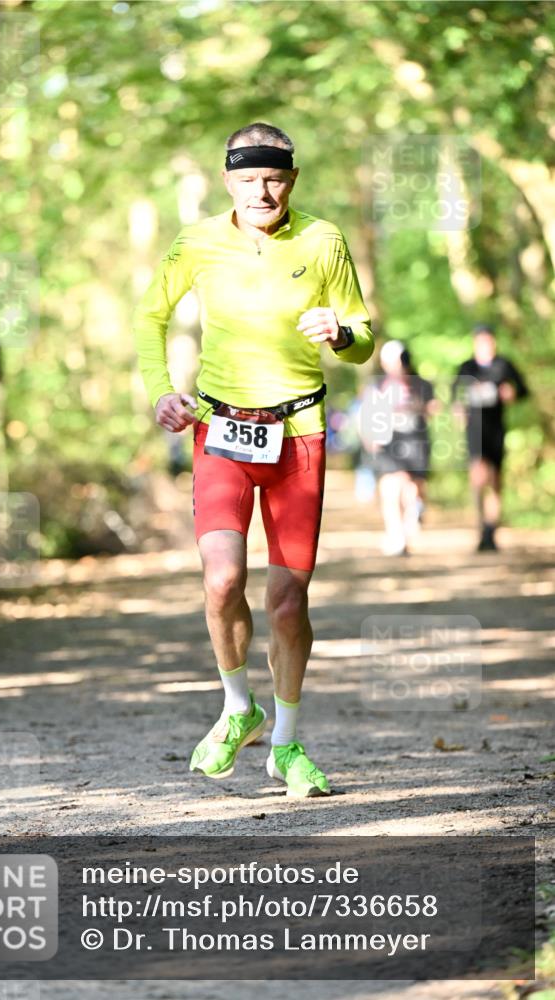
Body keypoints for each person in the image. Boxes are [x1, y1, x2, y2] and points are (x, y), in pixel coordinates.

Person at [134, 123, 373, 797]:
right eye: (246, 179)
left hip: (299, 433)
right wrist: (161, 392)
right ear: (227, 181)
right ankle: (239, 708)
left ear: (290, 179)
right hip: (220, 433)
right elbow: (149, 314)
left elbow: (362, 336)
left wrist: (343, 332)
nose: (260, 191)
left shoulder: (322, 240)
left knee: (288, 602)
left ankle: (287, 743)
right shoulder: (198, 242)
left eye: (272, 178)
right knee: (219, 582)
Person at [452, 324, 528, 551]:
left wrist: (512, 394)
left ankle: (491, 529)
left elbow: (523, 390)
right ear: (475, 343)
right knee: (478, 476)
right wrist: (458, 409)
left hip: (496, 429)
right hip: (474, 429)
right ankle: (481, 526)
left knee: (495, 479)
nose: (486, 345)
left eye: (489, 341)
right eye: (481, 341)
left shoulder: (504, 365)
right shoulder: (467, 367)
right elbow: (455, 394)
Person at [361, 341, 437, 556]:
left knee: (411, 487)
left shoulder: (421, 384)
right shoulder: (377, 385)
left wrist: (418, 406)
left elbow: (433, 409)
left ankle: (412, 518)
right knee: (390, 487)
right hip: (387, 441)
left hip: (415, 441)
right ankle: (396, 535)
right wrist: (370, 435)